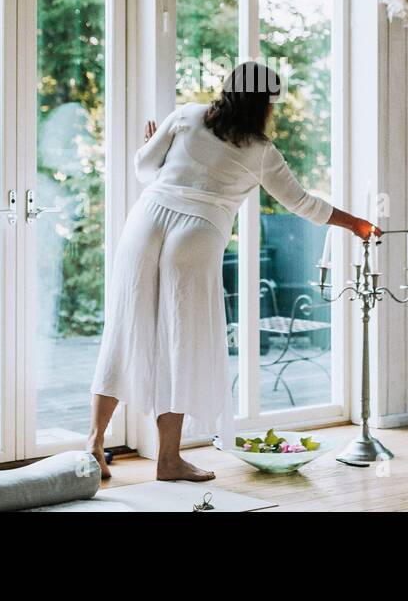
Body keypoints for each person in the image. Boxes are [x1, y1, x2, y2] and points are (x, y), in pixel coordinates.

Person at [87, 61, 379, 482]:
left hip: (146, 219)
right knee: (180, 343)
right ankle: (168, 460)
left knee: (122, 330)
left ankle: (94, 445)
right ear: (264, 104)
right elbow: (302, 203)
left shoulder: (187, 115)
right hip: (197, 232)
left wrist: (155, 145)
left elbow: (144, 169)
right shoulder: (261, 152)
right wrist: (356, 224)